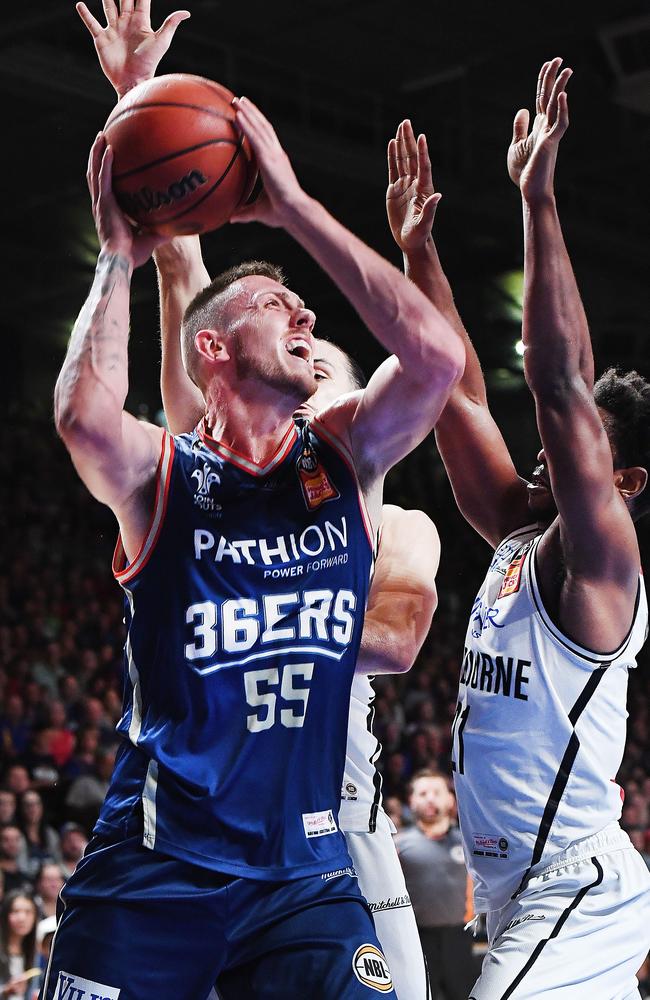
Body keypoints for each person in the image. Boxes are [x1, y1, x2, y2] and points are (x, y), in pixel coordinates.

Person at [45, 6, 464, 998]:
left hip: (311, 862)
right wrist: (129, 187)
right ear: (216, 353)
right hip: (161, 864)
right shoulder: (172, 474)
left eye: (306, 315)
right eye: (277, 305)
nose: (307, 316)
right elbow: (98, 398)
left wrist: (290, 206)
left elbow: (438, 357)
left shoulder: (349, 464)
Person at [388, 61, 650, 997]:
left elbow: (558, 385)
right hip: (511, 893)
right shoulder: (512, 528)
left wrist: (538, 201)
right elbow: (454, 389)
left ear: (625, 481)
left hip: (574, 886)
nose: (546, 453)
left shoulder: (601, 560)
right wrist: (422, 255)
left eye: (577, 448)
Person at [395, 770, 479, 1000]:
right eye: (422, 793)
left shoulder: (467, 842)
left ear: (450, 798)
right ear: (411, 800)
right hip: (417, 942)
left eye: (436, 792)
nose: (430, 798)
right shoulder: (399, 845)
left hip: (458, 938)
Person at [0, 891, 38, 999]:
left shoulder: (34, 951)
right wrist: (5, 991)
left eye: (28, 912)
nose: (22, 918)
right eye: (15, 911)